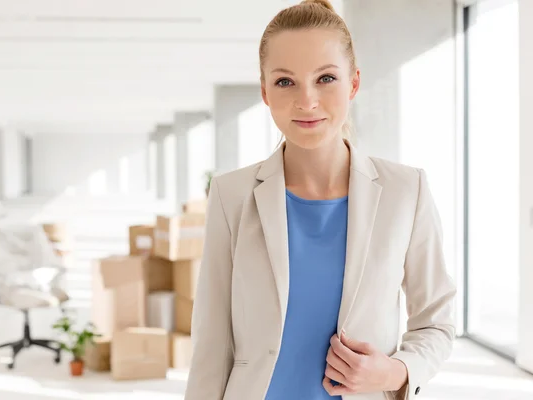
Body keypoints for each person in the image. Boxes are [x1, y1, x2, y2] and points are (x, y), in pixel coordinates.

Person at [184, 0, 457, 399]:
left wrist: (395, 372)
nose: (307, 101)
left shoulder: (406, 191)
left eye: (325, 78)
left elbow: (437, 321)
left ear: (354, 82)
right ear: (264, 90)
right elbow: (211, 345)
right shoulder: (231, 195)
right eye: (284, 81)